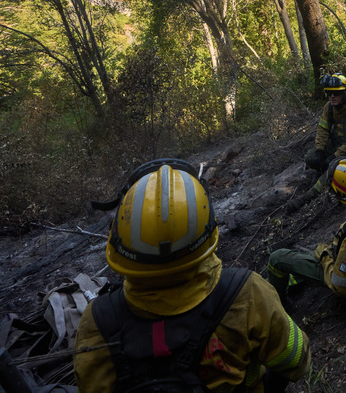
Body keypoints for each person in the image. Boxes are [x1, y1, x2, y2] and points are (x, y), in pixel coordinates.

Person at [74, 159, 310, 393]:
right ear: (208, 230)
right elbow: (296, 361)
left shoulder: (98, 322)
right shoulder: (248, 294)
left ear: (119, 241)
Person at [267, 158, 346, 307]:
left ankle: (280, 302)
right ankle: (293, 278)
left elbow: (341, 288)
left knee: (277, 258)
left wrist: (325, 256)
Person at [288, 73, 346, 213]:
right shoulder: (329, 107)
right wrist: (319, 150)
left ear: (345, 93)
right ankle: (322, 169)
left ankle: (306, 197)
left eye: (336, 93)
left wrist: (334, 156)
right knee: (310, 157)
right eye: (329, 93)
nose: (332, 97)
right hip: (337, 145)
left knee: (333, 168)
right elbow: (323, 129)